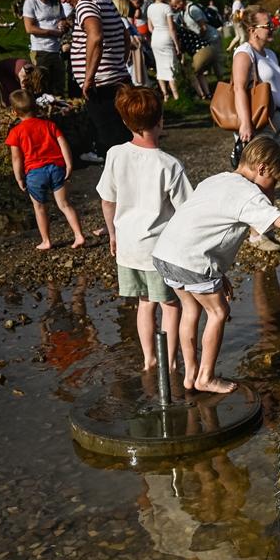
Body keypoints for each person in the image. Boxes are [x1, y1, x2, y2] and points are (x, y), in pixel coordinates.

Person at [151, 137, 280, 394]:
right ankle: (206, 378)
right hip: (193, 261)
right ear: (262, 168)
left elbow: (202, 228)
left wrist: (218, 274)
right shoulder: (248, 194)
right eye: (274, 181)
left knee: (190, 310)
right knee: (218, 313)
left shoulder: (216, 179)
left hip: (166, 254)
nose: (273, 189)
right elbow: (279, 222)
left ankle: (190, 374)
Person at [96, 85, 192, 371]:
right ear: (161, 120)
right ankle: (171, 361)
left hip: (127, 246)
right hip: (158, 251)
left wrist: (112, 234)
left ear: (125, 122)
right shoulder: (169, 165)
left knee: (144, 303)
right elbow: (187, 212)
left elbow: (107, 200)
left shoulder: (115, 154)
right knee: (171, 305)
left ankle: (150, 359)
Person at [51, 0, 132, 163]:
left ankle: (120, 188)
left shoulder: (85, 4)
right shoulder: (104, 0)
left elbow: (95, 37)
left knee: (112, 145)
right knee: (124, 139)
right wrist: (119, 63)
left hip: (102, 87)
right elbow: (125, 36)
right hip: (117, 80)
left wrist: (88, 78)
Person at [4, 88, 86, 250]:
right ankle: (79, 235)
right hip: (56, 168)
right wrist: (69, 164)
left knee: (40, 207)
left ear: (14, 112)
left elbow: (16, 158)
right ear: (35, 107)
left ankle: (46, 241)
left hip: (35, 174)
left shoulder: (16, 132)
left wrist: (19, 177)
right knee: (64, 204)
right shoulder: (49, 124)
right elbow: (63, 144)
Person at [232, 6, 280, 162]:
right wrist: (245, 123)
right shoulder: (244, 53)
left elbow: (278, 91)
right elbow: (239, 88)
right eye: (267, 25)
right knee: (259, 166)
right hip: (259, 121)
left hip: (277, 118)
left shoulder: (270, 54)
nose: (272, 28)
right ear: (252, 30)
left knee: (273, 166)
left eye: (272, 24)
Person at [22, 0, 69, 96]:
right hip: (40, 50)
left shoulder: (56, 1)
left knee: (58, 86)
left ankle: (59, 112)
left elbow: (63, 19)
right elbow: (29, 28)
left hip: (57, 50)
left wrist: (64, 24)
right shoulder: (30, 3)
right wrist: (52, 32)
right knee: (40, 86)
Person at [178, 0, 220, 99]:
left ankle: (223, 86)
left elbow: (203, 27)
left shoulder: (192, 10)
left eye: (175, 5)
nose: (174, 8)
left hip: (211, 37)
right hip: (203, 41)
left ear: (181, 2)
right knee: (207, 67)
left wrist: (198, 39)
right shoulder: (183, 13)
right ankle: (216, 87)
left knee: (217, 64)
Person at [146, 0, 179, 100]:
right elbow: (172, 28)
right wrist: (176, 44)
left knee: (160, 67)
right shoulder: (166, 7)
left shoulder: (149, 8)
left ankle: (165, 95)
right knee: (170, 66)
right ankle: (176, 96)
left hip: (155, 38)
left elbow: (150, 28)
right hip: (166, 37)